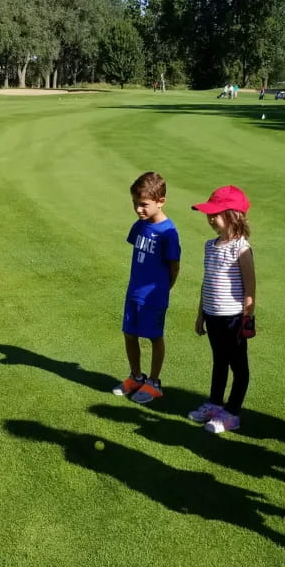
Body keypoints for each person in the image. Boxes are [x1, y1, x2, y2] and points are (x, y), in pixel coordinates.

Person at [186, 186, 256, 434]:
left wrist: (248, 316)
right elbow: (207, 281)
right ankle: (215, 403)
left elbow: (250, 285)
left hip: (234, 318)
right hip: (213, 315)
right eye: (209, 213)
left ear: (232, 215)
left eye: (215, 213)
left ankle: (232, 413)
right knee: (219, 361)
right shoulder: (210, 245)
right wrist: (201, 313)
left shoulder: (241, 248)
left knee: (239, 366)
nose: (210, 217)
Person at [111, 172, 181, 403]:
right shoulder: (140, 226)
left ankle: (154, 382)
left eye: (143, 205)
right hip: (134, 291)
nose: (138, 209)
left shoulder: (168, 232)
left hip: (154, 295)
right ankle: (136, 376)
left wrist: (165, 288)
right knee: (129, 334)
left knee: (154, 336)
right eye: (134, 203)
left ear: (160, 201)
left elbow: (174, 266)